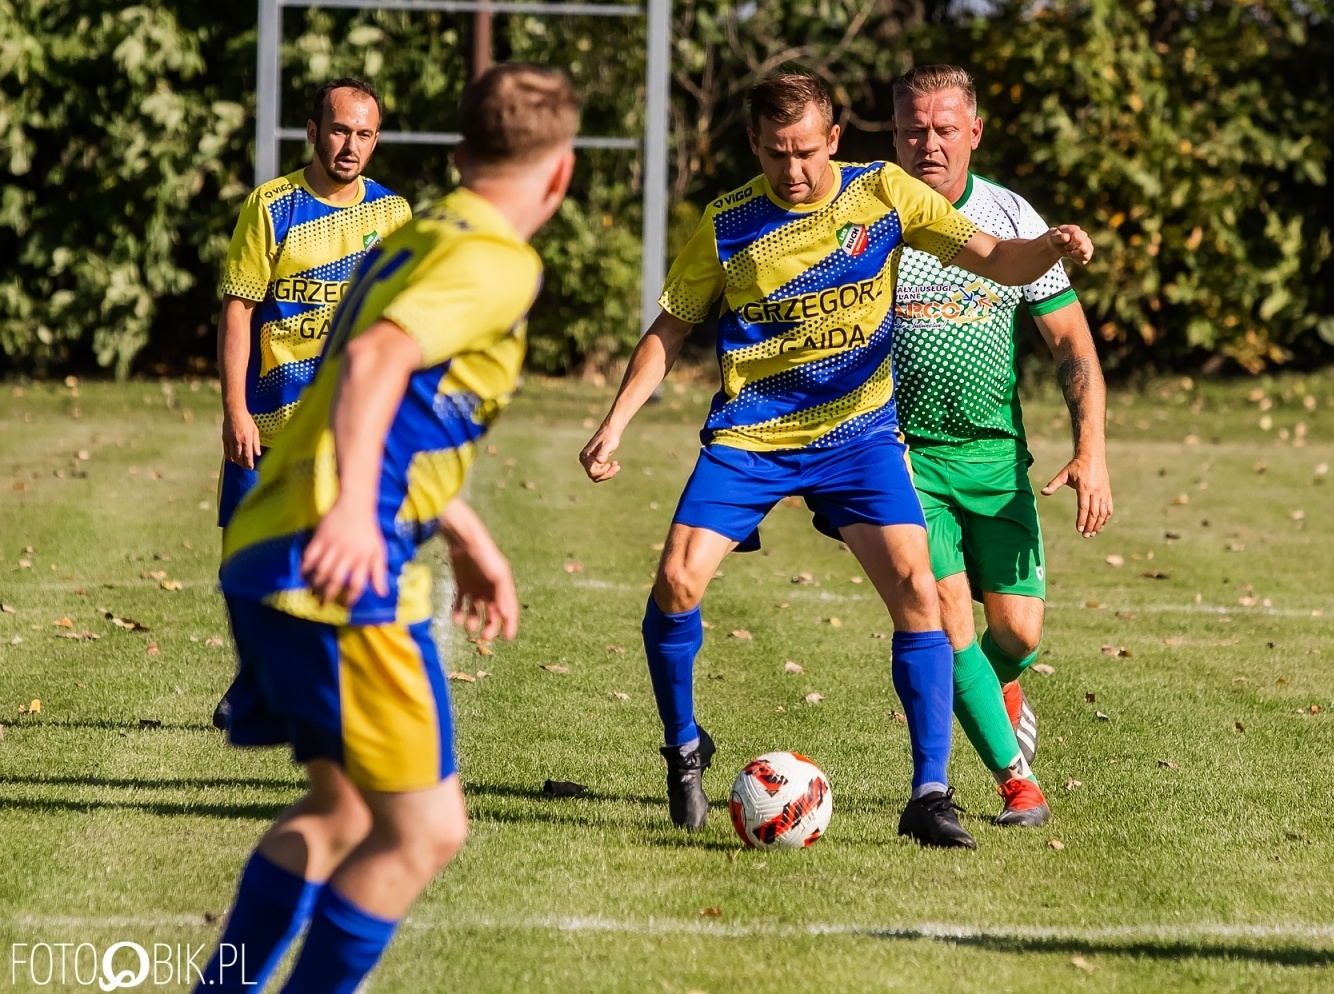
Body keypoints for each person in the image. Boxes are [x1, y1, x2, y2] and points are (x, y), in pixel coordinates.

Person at [578, 69, 1093, 850]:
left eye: (807, 152)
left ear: (834, 140)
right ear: (754, 145)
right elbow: (671, 328)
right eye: (776, 153)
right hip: (752, 437)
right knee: (677, 581)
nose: (793, 169)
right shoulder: (728, 222)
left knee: (920, 592)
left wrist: (1048, 248)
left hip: (858, 438)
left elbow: (997, 259)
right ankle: (683, 748)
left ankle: (930, 794)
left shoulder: (882, 193)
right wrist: (614, 423)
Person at [196, 63, 577, 994]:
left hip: (272, 544)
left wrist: (464, 532)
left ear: (459, 153)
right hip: (336, 564)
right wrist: (357, 515)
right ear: (561, 173)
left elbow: (378, 395)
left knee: (340, 816)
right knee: (423, 830)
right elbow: (371, 364)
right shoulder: (497, 260)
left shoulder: (417, 234)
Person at [888, 64, 1113, 827]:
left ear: (974, 133)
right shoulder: (876, 215)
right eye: (914, 129)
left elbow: (1071, 343)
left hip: (996, 461)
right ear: (896, 135)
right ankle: (1018, 783)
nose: (929, 143)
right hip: (908, 460)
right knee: (946, 614)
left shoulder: (1010, 215)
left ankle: (996, 685)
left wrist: (1091, 451)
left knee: (1016, 633)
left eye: (944, 129)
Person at [211, 77, 411, 731]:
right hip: (268, 421)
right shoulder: (272, 205)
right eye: (340, 130)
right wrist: (235, 410)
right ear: (313, 132)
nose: (351, 145)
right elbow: (238, 310)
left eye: (364, 134)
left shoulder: (392, 214)